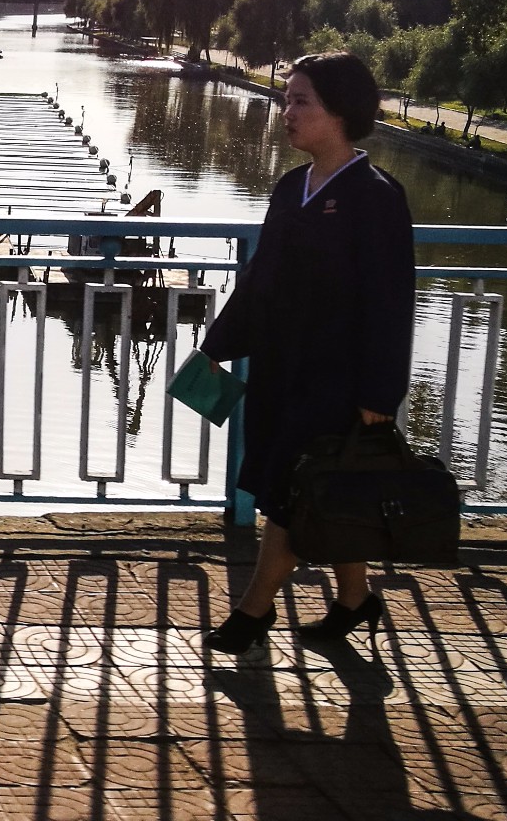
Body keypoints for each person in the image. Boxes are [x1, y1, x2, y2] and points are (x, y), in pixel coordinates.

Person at [199, 51, 416, 654]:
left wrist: (380, 394)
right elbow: (262, 279)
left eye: (301, 101)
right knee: (324, 490)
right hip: (282, 371)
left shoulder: (375, 197)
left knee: (294, 495)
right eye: (286, 99)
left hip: (337, 382)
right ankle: (355, 601)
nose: (286, 112)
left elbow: (390, 302)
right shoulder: (293, 186)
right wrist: (217, 347)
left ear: (340, 111)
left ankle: (253, 613)